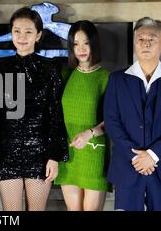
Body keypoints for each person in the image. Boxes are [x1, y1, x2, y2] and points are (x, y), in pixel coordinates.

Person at [104, 17, 161, 211]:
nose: (146, 43)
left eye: (152, 38)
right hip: (127, 166)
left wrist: (152, 154)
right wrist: (136, 157)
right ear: (134, 44)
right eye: (141, 39)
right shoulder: (117, 80)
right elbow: (111, 121)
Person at [0, 7, 68, 211]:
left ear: (38, 35)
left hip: (40, 153)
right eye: (17, 31)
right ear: (11, 33)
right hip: (6, 152)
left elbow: (55, 115)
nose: (22, 37)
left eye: (28, 32)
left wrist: (53, 156)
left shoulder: (50, 68)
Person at [54, 20, 111, 211]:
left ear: (94, 43)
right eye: (76, 44)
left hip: (94, 152)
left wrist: (90, 133)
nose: (81, 49)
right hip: (68, 154)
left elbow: (115, 119)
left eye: (86, 42)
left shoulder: (106, 77)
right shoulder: (64, 75)